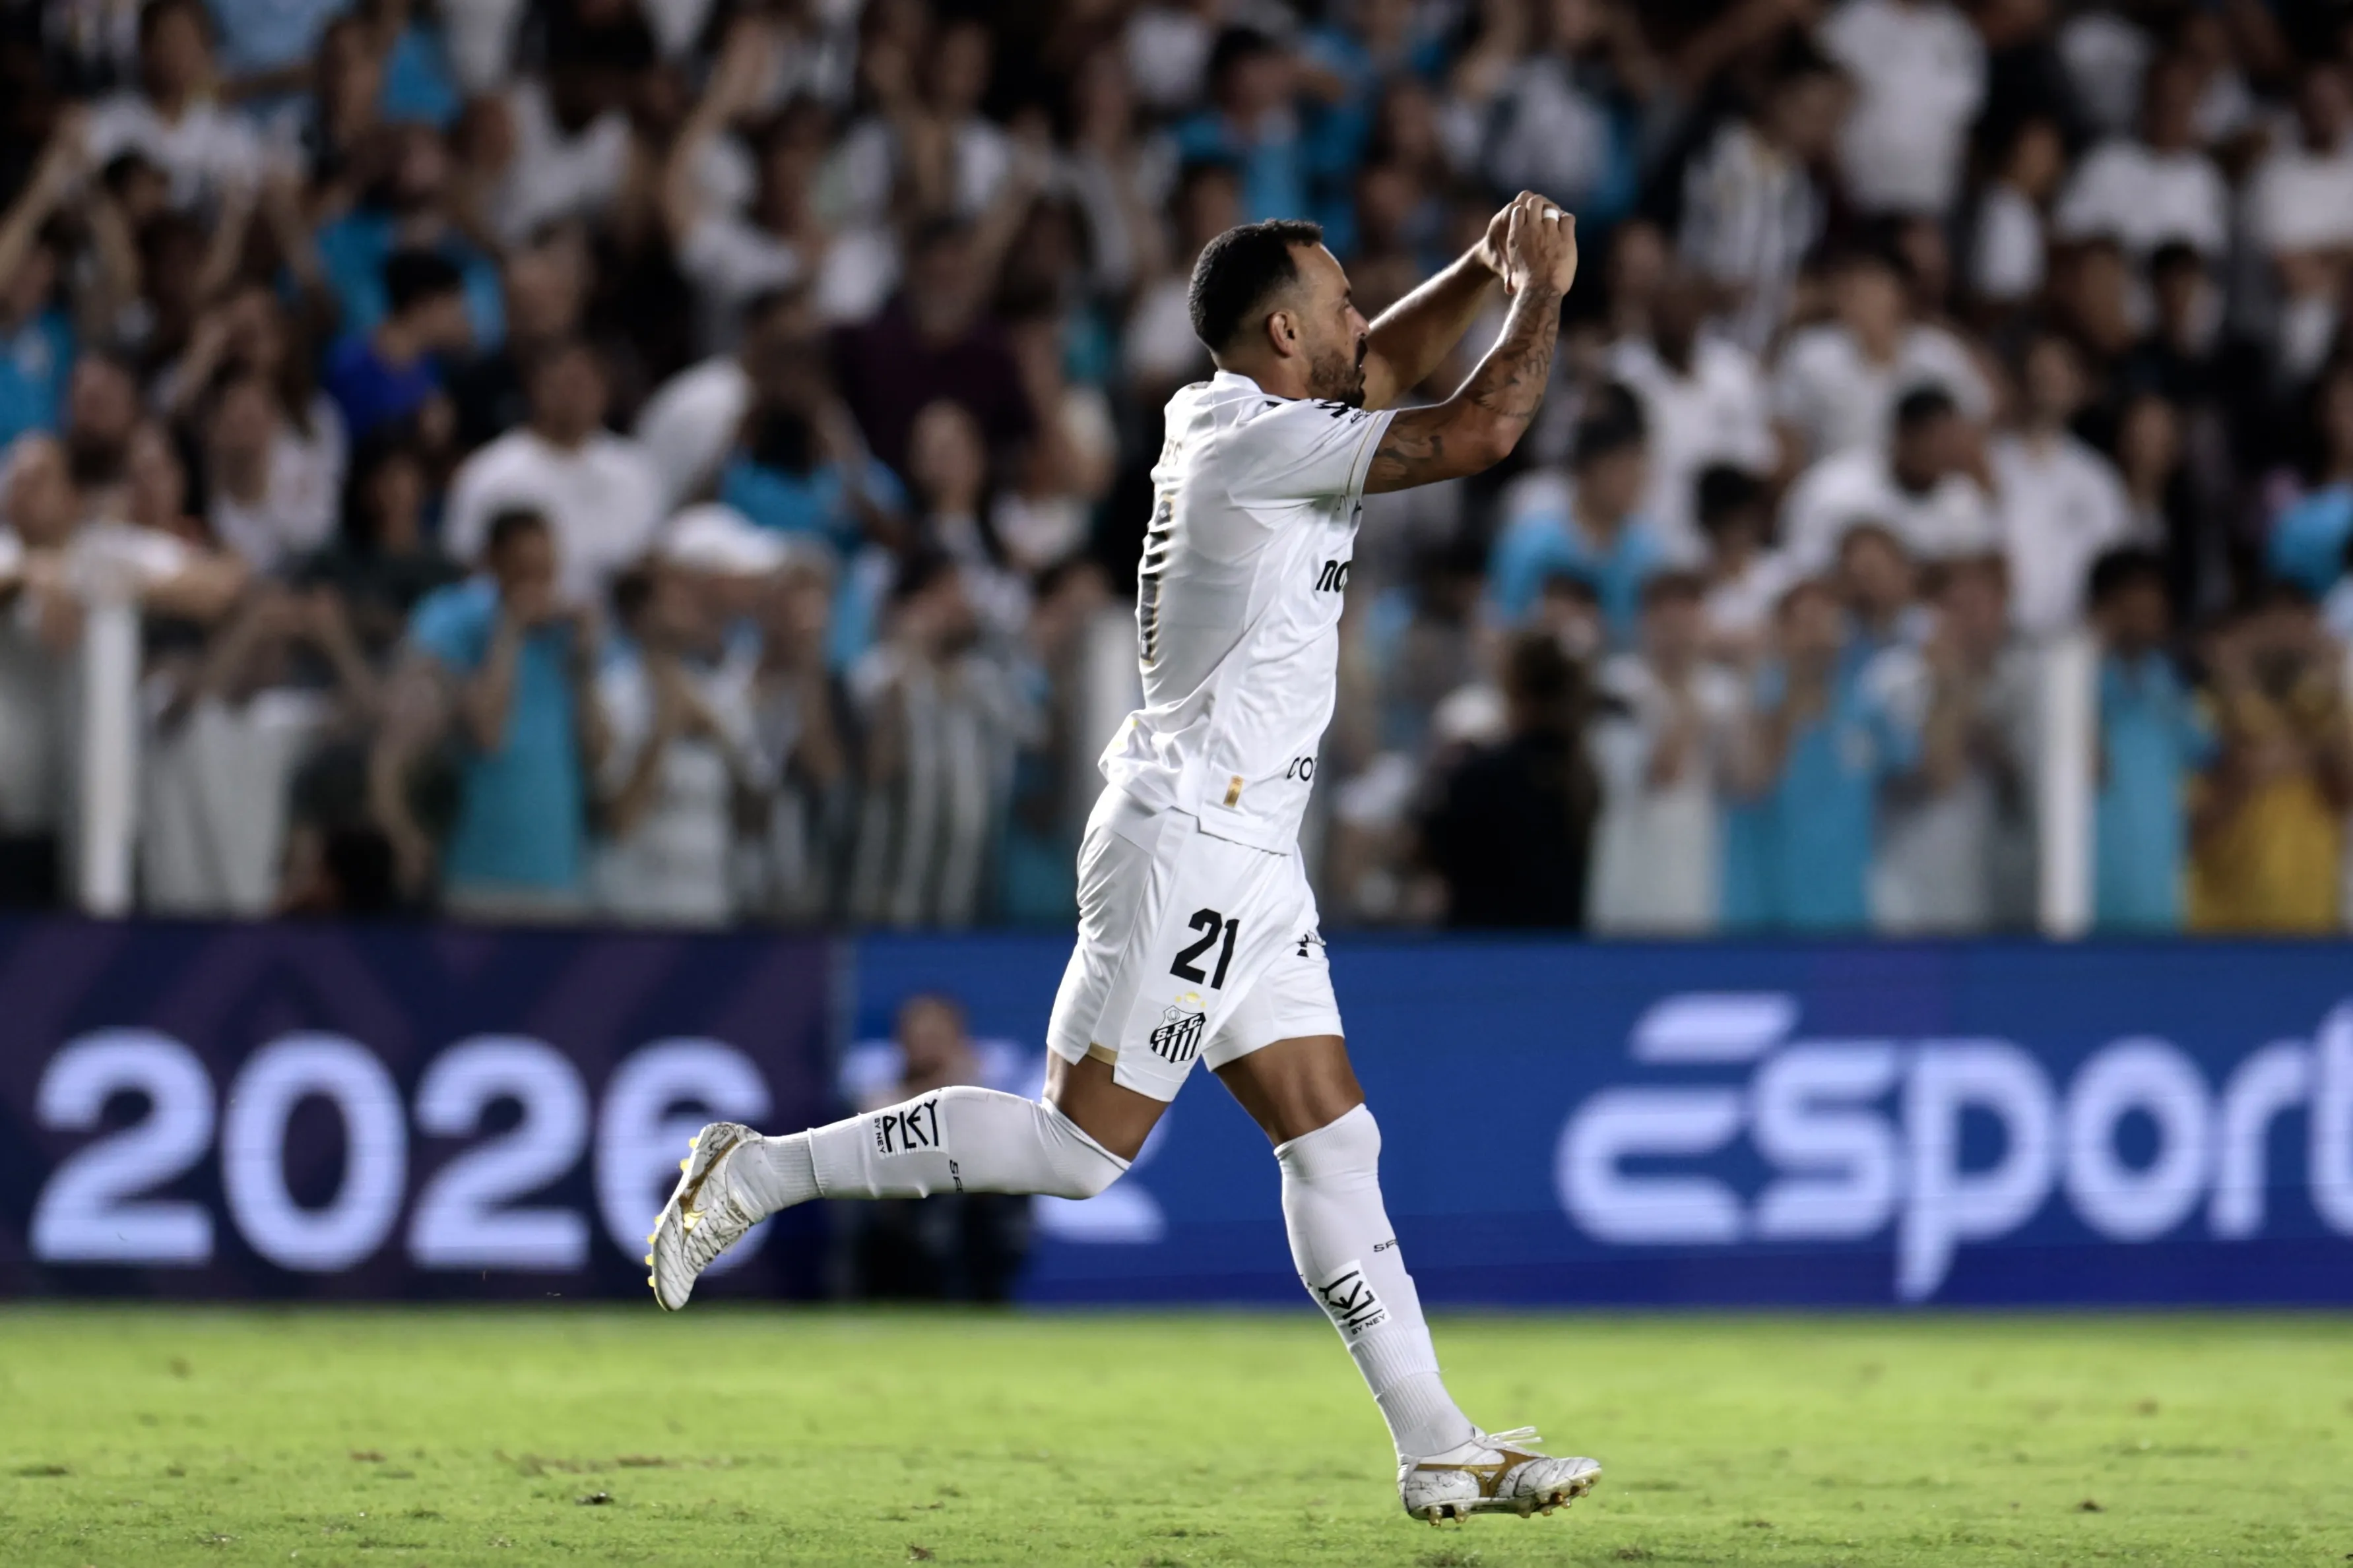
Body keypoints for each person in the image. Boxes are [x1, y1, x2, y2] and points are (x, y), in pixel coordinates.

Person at [646, 195, 1605, 1523]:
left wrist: (1477, 268)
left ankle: (1436, 1440)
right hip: (1191, 841)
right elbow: (1482, 427)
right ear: (1282, 332)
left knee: (1335, 1143)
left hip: (1251, 847)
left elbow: (1378, 367)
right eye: (1336, 302)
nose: (1356, 321)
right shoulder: (1256, 446)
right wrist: (1540, 293)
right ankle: (755, 1170)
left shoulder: (1243, 417)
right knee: (1079, 1149)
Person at [400, 507, 606, 920]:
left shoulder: (565, 635)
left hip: (558, 872)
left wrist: (584, 666)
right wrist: (508, 629)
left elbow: (598, 753)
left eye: (547, 571)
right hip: (478, 867)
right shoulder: (452, 622)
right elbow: (488, 733)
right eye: (524, 570)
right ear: (492, 564)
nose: (539, 586)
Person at [1586, 575, 1742, 933]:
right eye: (1666, 623)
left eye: (1687, 623)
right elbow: (1660, 774)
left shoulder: (1722, 690)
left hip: (1698, 879)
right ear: (1645, 623)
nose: (1677, 636)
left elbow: (1746, 781)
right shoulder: (1614, 687)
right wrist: (1687, 691)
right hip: (1630, 883)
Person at [2086, 547, 2211, 932]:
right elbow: (2092, 769)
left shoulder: (2168, 681)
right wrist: (2091, 654)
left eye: (2156, 602)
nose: (2152, 613)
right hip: (2089, 906)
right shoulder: (2075, 679)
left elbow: (2215, 759)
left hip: (2159, 906)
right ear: (2105, 607)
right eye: (2136, 603)